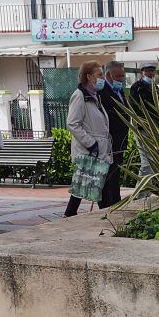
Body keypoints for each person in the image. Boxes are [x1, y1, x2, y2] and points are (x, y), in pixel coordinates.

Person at [64, 60, 114, 217]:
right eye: (99, 75)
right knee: (88, 189)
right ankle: (72, 215)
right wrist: (91, 143)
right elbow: (72, 124)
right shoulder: (80, 96)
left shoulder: (94, 97)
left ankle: (102, 217)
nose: (102, 79)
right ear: (88, 77)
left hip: (99, 152)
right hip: (90, 152)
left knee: (93, 188)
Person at [97, 60, 129, 206]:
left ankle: (116, 201)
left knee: (116, 173)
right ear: (109, 75)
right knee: (108, 174)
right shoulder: (102, 91)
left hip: (120, 140)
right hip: (109, 140)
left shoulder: (119, 90)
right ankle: (107, 203)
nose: (121, 79)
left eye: (122, 75)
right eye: (118, 76)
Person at [128, 62, 158, 191]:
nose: (150, 73)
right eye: (148, 71)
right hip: (142, 128)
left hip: (153, 129)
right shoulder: (137, 87)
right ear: (142, 72)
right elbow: (133, 106)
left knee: (151, 161)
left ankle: (144, 192)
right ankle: (140, 193)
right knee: (147, 161)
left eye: (152, 71)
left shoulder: (155, 88)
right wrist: (142, 122)